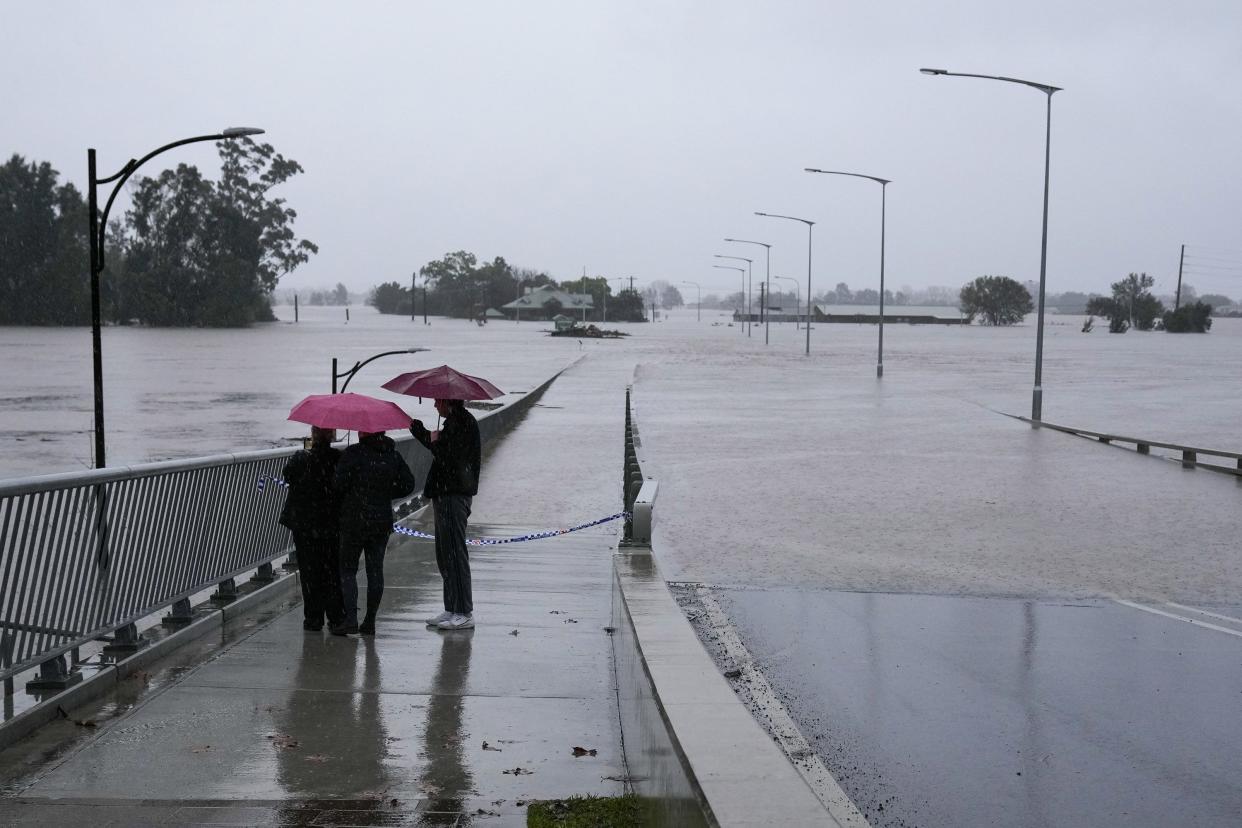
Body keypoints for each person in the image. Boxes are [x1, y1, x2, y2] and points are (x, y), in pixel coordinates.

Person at [332, 430, 416, 635]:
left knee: (348, 570)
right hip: (381, 521)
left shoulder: (353, 453)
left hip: (354, 521)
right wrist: (386, 492)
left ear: (363, 432)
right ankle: (370, 621)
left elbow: (337, 485)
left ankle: (350, 619)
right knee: (375, 570)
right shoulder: (392, 454)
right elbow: (408, 484)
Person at [410, 398, 481, 631]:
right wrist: (431, 437)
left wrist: (423, 435)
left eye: (436, 401)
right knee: (445, 553)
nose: (434, 406)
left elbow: (448, 456)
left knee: (454, 553)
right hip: (446, 494)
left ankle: (464, 611)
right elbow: (446, 452)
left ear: (446, 400)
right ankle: (452, 607)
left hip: (453, 495)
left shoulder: (462, 422)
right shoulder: (455, 422)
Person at [279, 426, 345, 632]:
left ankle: (313, 618)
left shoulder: (301, 458)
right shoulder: (339, 458)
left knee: (309, 571)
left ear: (313, 434)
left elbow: (287, 474)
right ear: (332, 435)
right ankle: (336, 618)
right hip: (331, 523)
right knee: (332, 570)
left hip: (305, 524)